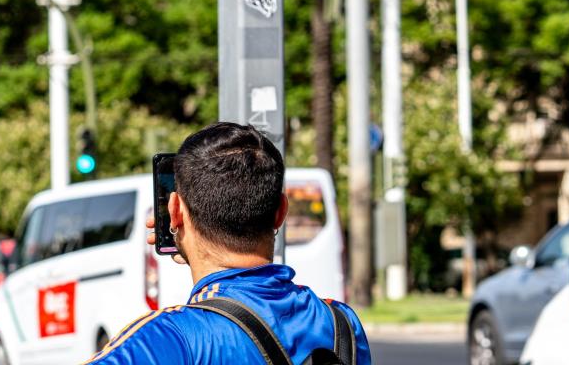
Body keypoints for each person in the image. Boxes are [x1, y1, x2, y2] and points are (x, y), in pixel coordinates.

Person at [85, 122, 371, 364]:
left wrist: (195, 246)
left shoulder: (168, 338)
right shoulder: (340, 324)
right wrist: (198, 248)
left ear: (175, 211)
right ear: (281, 212)